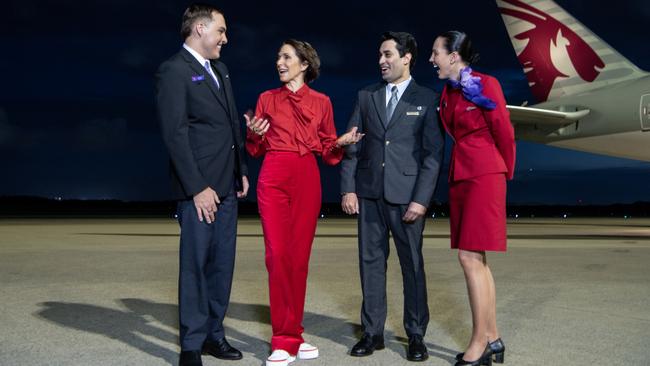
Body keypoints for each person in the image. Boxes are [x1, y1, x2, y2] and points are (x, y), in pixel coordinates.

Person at [245, 39, 363, 366]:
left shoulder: (322, 102)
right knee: (277, 256)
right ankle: (282, 340)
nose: (279, 62)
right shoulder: (266, 99)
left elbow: (326, 151)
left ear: (304, 64)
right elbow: (254, 150)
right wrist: (255, 134)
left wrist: (338, 142)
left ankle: (293, 336)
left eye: (286, 57)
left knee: (298, 261)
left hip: (307, 177)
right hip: (274, 175)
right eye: (278, 57)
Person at [340, 31, 444, 362]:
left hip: (408, 199)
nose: (381, 61)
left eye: (387, 55)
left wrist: (421, 199)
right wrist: (348, 188)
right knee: (370, 264)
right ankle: (372, 333)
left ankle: (415, 334)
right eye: (380, 55)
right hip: (369, 195)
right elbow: (352, 145)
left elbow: (432, 154)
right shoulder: (366, 96)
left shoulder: (426, 98)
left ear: (406, 57)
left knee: (412, 265)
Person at [155, 4, 248, 366]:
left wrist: (240, 168)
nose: (226, 38)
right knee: (195, 265)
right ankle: (191, 345)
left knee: (222, 265)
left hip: (227, 186)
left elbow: (229, 126)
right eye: (221, 31)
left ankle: (214, 335)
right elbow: (175, 134)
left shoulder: (220, 71)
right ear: (199, 29)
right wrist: (197, 187)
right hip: (199, 191)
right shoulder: (173, 71)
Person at [429, 30, 516, 366]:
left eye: (436, 52)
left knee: (468, 258)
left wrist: (503, 172)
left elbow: (505, 133)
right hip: (461, 176)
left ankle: (479, 340)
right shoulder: (447, 94)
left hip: (484, 175)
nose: (432, 58)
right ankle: (493, 337)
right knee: (476, 258)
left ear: (453, 56)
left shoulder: (486, 83)